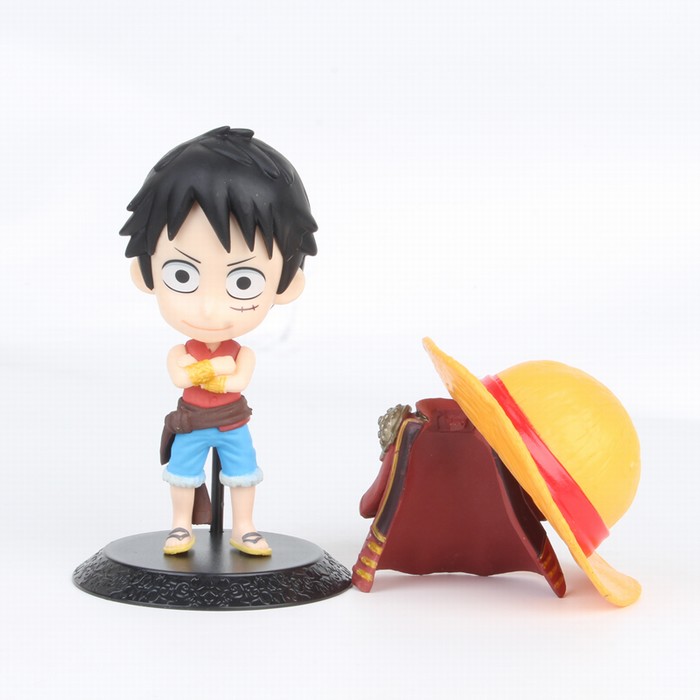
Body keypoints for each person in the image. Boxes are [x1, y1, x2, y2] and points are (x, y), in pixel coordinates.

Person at [120, 127, 318, 556]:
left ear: (287, 286)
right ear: (145, 273)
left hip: (232, 423)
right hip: (192, 422)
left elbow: (235, 382)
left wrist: (211, 374)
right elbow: (182, 377)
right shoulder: (182, 352)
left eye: (243, 281)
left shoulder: (242, 354)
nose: (209, 309)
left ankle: (243, 527)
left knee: (243, 474)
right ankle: (180, 526)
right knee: (182, 474)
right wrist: (214, 371)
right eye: (182, 275)